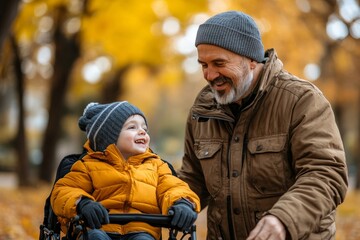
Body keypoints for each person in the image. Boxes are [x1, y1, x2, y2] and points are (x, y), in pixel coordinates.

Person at [177, 10, 348, 240]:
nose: (209, 74)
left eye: (219, 63)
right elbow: (192, 178)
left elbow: (326, 174)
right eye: (203, 64)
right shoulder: (202, 110)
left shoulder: (301, 101)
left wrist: (283, 219)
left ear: (251, 60)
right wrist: (171, 201)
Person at [51, 101, 200, 240]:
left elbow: (173, 187)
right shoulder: (88, 165)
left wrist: (182, 203)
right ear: (109, 137)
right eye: (132, 127)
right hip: (99, 227)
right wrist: (83, 203)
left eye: (144, 128)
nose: (142, 131)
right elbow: (64, 190)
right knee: (95, 237)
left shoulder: (157, 166)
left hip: (142, 230)